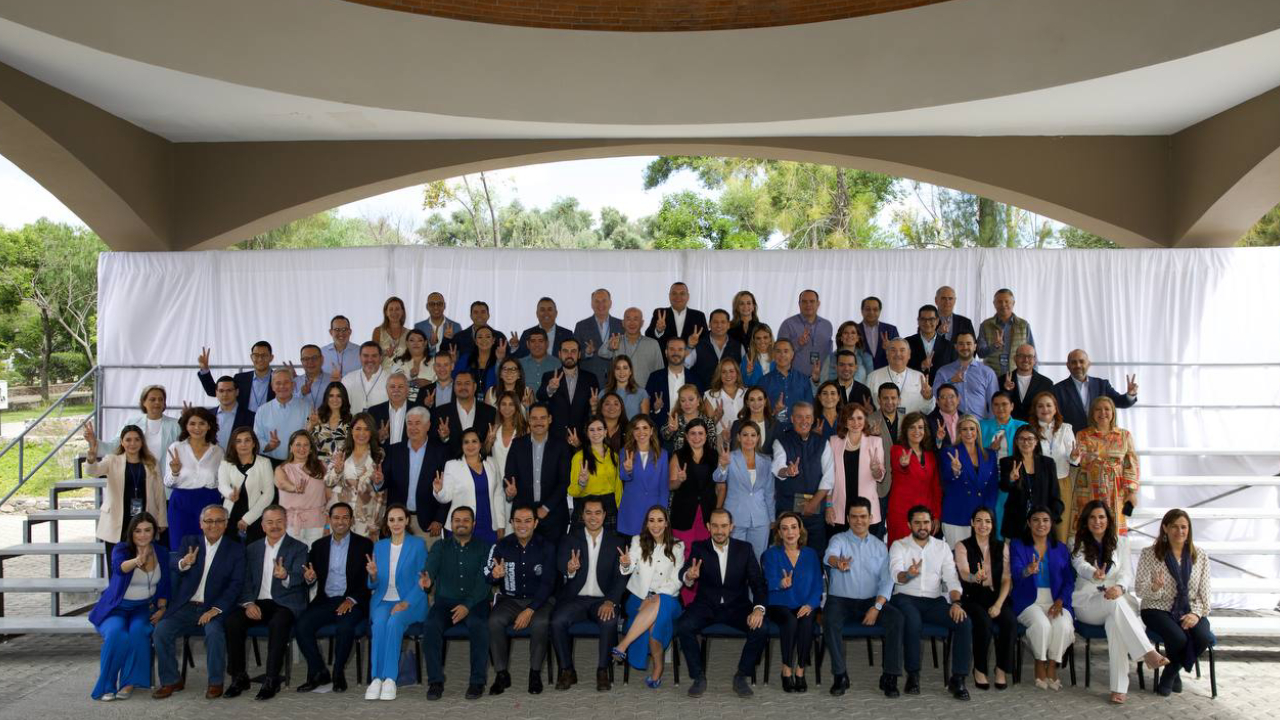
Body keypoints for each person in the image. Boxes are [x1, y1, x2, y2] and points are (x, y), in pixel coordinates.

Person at [1072, 500, 1168, 703]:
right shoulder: (1075, 542)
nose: (1097, 521)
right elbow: (1079, 565)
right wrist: (1094, 572)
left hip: (1116, 601)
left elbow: (1126, 573)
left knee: (1116, 623)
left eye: (1101, 517)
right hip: (1088, 604)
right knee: (1114, 604)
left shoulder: (1122, 542)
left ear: (1108, 520)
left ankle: (1118, 689)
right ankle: (1148, 651)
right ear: (1086, 521)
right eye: (1092, 517)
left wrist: (1120, 588)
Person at [152, 504, 245, 700]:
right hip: (185, 606)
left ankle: (215, 682)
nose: (213, 525)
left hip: (213, 608)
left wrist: (216, 609)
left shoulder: (235, 549)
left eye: (219, 521)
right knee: (161, 631)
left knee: (214, 632)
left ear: (226, 524)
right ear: (201, 524)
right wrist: (184, 562)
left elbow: (236, 585)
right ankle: (171, 680)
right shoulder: (190, 542)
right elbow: (172, 562)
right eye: (208, 521)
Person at [673, 507, 767, 698]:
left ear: (731, 527)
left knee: (762, 628)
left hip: (737, 606)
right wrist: (689, 576)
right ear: (708, 526)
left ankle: (741, 676)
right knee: (683, 626)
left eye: (724, 526)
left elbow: (758, 583)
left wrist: (758, 609)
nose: (719, 530)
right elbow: (685, 571)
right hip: (706, 605)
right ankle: (698, 676)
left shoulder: (745, 549)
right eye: (715, 526)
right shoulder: (700, 547)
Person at [223, 505, 308, 700]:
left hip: (285, 603)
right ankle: (239, 677)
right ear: (262, 526)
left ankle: (271, 679)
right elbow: (244, 581)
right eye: (270, 522)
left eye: (279, 521)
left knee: (278, 624)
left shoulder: (299, 547)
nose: (275, 526)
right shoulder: (252, 548)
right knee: (232, 622)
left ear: (286, 523)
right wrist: (248, 603)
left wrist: (285, 574)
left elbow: (300, 578)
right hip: (258, 602)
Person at [889, 505, 973, 699]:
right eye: (917, 522)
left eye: (926, 522)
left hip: (934, 601)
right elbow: (896, 575)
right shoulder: (899, 545)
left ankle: (958, 679)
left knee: (964, 622)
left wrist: (957, 603)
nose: (922, 526)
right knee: (912, 621)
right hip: (905, 598)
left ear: (932, 523)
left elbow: (951, 578)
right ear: (909, 524)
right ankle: (913, 675)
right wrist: (907, 574)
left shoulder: (941, 547)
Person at [824, 498, 904, 698]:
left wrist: (877, 607)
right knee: (829, 619)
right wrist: (837, 562)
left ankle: (890, 677)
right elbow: (829, 556)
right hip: (840, 600)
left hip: (870, 601)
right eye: (854, 517)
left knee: (897, 619)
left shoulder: (879, 546)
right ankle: (840, 675)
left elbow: (887, 581)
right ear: (848, 518)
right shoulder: (838, 540)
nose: (858, 521)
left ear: (871, 518)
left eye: (863, 517)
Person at [295, 502, 374, 694]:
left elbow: (368, 581)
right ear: (329, 520)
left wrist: (352, 600)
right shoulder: (318, 546)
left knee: (345, 627)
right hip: (325, 599)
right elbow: (310, 575)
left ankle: (338, 673)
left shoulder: (364, 545)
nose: (341, 522)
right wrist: (309, 578)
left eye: (345, 518)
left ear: (351, 521)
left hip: (351, 600)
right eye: (336, 518)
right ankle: (319, 671)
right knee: (301, 625)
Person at [89, 513, 169, 701]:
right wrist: (136, 561)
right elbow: (119, 567)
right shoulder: (121, 550)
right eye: (138, 531)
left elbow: (165, 584)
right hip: (116, 607)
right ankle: (107, 685)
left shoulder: (161, 552)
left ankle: (129, 682)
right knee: (117, 634)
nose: (143, 535)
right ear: (131, 533)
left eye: (147, 530)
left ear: (154, 531)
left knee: (138, 631)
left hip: (142, 608)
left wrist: (162, 607)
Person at [551, 498, 628, 692]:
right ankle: (567, 670)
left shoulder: (617, 541)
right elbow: (560, 564)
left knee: (609, 621)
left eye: (597, 513)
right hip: (575, 599)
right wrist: (569, 568)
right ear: (582, 515)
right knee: (557, 621)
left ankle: (603, 670)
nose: (593, 517)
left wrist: (611, 601)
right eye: (588, 513)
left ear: (604, 515)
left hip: (603, 600)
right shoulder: (570, 539)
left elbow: (621, 578)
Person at [1135, 508, 1214, 698]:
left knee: (1203, 636)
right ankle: (1172, 675)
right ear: (1165, 528)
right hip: (1156, 608)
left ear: (1189, 529)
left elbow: (1205, 595)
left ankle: (1171, 671)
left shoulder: (1200, 556)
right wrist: (1155, 587)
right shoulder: (1150, 554)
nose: (1180, 531)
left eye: (1184, 527)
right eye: (1174, 527)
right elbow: (1139, 590)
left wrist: (1195, 614)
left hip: (1190, 608)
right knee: (1179, 638)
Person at [422, 505, 494, 701]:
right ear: (451, 524)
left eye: (465, 520)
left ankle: (477, 682)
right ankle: (435, 682)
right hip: (445, 602)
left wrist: (467, 606)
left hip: (476, 602)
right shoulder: (440, 546)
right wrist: (427, 581)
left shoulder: (484, 547)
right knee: (430, 627)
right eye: (457, 520)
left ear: (473, 524)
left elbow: (484, 581)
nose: (461, 524)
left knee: (479, 626)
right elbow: (430, 568)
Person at [484, 504, 556, 695]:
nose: (522, 525)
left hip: (539, 601)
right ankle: (501, 674)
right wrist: (494, 575)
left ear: (536, 523)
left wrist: (531, 609)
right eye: (517, 521)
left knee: (540, 623)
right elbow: (487, 575)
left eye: (527, 521)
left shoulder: (547, 546)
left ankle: (534, 673)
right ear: (511, 522)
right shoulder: (501, 545)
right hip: (510, 600)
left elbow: (548, 583)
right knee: (494, 621)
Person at [614, 506, 685, 687]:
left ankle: (623, 645)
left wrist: (655, 597)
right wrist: (626, 564)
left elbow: (677, 580)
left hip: (669, 598)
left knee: (660, 604)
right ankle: (658, 667)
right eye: (651, 520)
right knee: (655, 623)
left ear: (666, 523)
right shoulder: (637, 541)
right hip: (638, 598)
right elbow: (629, 567)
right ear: (646, 523)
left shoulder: (678, 546)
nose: (655, 525)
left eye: (660, 520)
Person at [364, 504, 430, 701]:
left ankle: (390, 679)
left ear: (407, 521)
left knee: (394, 622)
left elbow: (423, 581)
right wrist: (373, 575)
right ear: (387, 523)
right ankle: (376, 678)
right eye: (392, 520)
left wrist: (405, 603)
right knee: (380, 624)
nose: (396, 524)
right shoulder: (379, 546)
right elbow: (372, 585)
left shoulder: (417, 545)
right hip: (383, 600)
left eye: (400, 519)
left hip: (411, 602)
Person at [84, 422, 166, 568]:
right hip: (117, 521)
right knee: (116, 567)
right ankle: (115, 592)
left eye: (136, 439)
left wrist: (161, 520)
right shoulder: (112, 460)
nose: (132, 443)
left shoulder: (151, 462)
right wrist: (91, 456)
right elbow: (93, 471)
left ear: (142, 442)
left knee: (142, 566)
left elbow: (159, 493)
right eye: (128, 440)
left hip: (143, 521)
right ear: (122, 442)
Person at [1009, 506, 1074, 691]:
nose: (1041, 524)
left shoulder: (1060, 548)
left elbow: (1069, 580)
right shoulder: (1017, 544)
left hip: (1056, 599)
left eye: (1045, 520)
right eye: (1036, 520)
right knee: (1042, 625)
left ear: (1051, 523)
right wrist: (1027, 570)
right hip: (1029, 599)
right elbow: (1015, 572)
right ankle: (1040, 662)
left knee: (1062, 625)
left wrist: (1061, 600)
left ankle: (1052, 665)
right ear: (1028, 523)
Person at [762, 512, 822, 692]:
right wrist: (780, 583)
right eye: (785, 528)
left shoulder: (811, 554)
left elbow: (818, 584)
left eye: (794, 527)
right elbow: (766, 582)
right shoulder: (771, 554)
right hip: (779, 604)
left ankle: (800, 670)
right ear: (779, 533)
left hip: (805, 604)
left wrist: (811, 604)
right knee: (790, 621)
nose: (790, 532)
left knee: (806, 622)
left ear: (800, 530)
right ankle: (786, 669)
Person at [954, 506, 1013, 690]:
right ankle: (979, 669)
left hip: (996, 596)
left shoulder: (1002, 546)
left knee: (1009, 621)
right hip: (972, 596)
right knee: (984, 622)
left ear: (992, 524)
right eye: (978, 520)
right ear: (972, 523)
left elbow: (1006, 579)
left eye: (987, 521)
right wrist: (974, 577)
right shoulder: (962, 545)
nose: (983, 525)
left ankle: (1001, 669)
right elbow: (963, 573)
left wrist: (998, 604)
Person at [770, 402, 834, 558]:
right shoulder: (781, 441)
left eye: (807, 417)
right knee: (787, 555)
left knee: (815, 555)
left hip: (815, 512)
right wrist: (788, 471)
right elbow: (777, 467)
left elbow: (829, 476)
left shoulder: (822, 442)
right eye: (799, 417)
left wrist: (814, 503)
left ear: (813, 419)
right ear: (792, 418)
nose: (803, 421)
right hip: (788, 511)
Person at [1071, 396, 1140, 535]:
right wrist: (1087, 457)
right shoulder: (1083, 434)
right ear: (1092, 413)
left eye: (1107, 409)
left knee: (1113, 529)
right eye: (1098, 409)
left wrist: (1131, 491)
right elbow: (1079, 460)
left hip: (1116, 487)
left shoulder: (1124, 435)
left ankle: (1112, 556)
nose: (1103, 413)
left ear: (1113, 412)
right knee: (1089, 524)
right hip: (1090, 487)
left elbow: (1131, 463)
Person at [503, 403, 572, 539]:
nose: (538, 422)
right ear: (529, 420)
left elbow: (564, 482)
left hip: (554, 516)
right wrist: (509, 492)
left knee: (552, 559)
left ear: (550, 419)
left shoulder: (561, 446)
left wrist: (546, 508)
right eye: (534, 418)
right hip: (524, 517)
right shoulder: (517, 444)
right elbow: (509, 477)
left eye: (542, 418)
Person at [380, 406, 448, 539]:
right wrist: (378, 481)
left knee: (425, 560)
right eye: (409, 423)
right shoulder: (394, 450)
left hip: (428, 524)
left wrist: (439, 519)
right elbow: (384, 482)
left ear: (428, 425)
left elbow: (447, 487)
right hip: (398, 522)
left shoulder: (441, 452)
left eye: (418, 423)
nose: (413, 428)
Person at [165, 407, 225, 551]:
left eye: (202, 423)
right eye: (192, 423)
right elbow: (167, 482)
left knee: (208, 548)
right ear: (186, 425)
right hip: (181, 503)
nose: (197, 428)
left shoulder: (218, 451)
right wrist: (174, 472)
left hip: (209, 502)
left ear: (209, 425)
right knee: (179, 547)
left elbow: (222, 482)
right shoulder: (176, 448)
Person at [435, 428, 506, 544]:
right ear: (461, 445)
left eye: (474, 441)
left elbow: (498, 495)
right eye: (466, 442)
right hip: (461, 527)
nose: (470, 445)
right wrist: (438, 491)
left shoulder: (492, 463)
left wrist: (501, 524)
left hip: (489, 526)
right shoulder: (452, 465)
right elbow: (445, 497)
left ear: (480, 444)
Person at [825, 403, 885, 537]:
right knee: (841, 552)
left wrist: (875, 470)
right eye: (851, 419)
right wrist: (828, 505)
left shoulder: (875, 441)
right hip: (839, 508)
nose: (856, 423)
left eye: (859, 418)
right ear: (844, 422)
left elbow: (880, 476)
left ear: (865, 420)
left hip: (867, 509)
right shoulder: (834, 442)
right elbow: (828, 478)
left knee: (867, 553)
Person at [715, 421, 773, 560]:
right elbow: (718, 477)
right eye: (745, 435)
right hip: (735, 517)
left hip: (760, 519)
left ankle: (754, 583)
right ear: (739, 437)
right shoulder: (730, 457)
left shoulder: (766, 460)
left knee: (757, 558)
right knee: (734, 559)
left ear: (758, 438)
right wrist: (722, 466)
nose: (749, 439)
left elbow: (769, 492)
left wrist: (772, 518)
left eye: (753, 435)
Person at [938, 416, 999, 547]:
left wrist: (987, 513)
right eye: (964, 429)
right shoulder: (949, 452)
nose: (969, 432)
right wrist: (955, 471)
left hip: (981, 520)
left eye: (972, 429)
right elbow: (946, 479)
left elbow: (993, 487)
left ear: (978, 431)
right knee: (957, 561)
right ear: (959, 432)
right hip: (957, 515)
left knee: (980, 560)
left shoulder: (990, 455)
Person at [325, 413, 386, 540]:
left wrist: (378, 482)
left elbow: (382, 489)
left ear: (371, 432)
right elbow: (328, 481)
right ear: (351, 430)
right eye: (358, 429)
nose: (362, 433)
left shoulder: (380, 454)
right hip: (341, 516)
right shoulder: (341, 451)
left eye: (366, 429)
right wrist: (337, 470)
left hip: (367, 517)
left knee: (363, 557)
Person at [999, 425, 1065, 542]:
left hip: (1042, 526)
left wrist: (1048, 519)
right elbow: (1004, 487)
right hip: (1016, 523)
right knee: (1016, 559)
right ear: (1016, 441)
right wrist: (1011, 479)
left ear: (1036, 441)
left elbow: (1055, 495)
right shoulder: (1008, 462)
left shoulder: (1048, 463)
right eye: (1021, 439)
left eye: (1030, 439)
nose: (1026, 442)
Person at [1052, 349, 1139, 432]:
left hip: (1101, 440)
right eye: (1074, 362)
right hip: (1073, 441)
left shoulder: (1102, 385)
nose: (1078, 365)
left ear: (1088, 364)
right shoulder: (1058, 390)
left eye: (1081, 361)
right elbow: (1055, 419)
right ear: (1068, 365)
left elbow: (1121, 402)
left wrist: (1130, 395)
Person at [886, 413, 940, 544]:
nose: (917, 431)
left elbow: (936, 488)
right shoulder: (897, 450)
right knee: (901, 553)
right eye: (912, 427)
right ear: (905, 430)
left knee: (923, 555)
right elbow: (899, 466)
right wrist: (903, 464)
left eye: (920, 427)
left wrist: (936, 515)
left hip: (925, 515)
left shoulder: (930, 455)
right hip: (901, 512)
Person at [1031, 392, 1076, 542]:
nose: (1045, 409)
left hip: (1062, 482)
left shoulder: (1066, 429)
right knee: (1039, 526)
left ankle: (1059, 563)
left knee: (1061, 528)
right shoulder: (1029, 430)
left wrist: (1075, 456)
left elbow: (1073, 459)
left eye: (1049, 405)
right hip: (1038, 483)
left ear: (1055, 408)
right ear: (1035, 409)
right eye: (1041, 406)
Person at [218, 426, 275, 545]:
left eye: (247, 440)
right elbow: (222, 485)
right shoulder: (226, 463)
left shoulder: (264, 463)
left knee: (254, 554)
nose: (243, 444)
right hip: (230, 516)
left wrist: (247, 519)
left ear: (254, 443)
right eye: (238, 441)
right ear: (233, 444)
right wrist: (230, 494)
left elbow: (269, 494)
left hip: (256, 516)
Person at [99, 384, 180, 465]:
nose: (157, 402)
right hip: (138, 475)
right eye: (153, 399)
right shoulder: (132, 423)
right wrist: (94, 443)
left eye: (161, 399)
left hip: (167, 476)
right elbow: (114, 445)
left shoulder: (176, 425)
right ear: (143, 402)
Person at [617, 416, 670, 539]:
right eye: (637, 428)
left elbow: (663, 488)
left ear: (651, 431)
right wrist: (628, 469)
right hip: (631, 511)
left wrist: (661, 515)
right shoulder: (625, 451)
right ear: (632, 432)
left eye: (645, 428)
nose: (641, 432)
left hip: (653, 514)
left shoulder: (662, 454)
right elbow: (623, 476)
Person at [274, 430, 329, 545]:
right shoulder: (282, 469)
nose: (302, 448)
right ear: (290, 447)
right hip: (290, 524)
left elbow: (329, 495)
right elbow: (282, 483)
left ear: (311, 449)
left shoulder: (322, 466)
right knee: (292, 560)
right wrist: (294, 488)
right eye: (298, 444)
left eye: (306, 445)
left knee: (315, 560)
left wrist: (328, 523)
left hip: (317, 522)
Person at [538, 338, 600, 441]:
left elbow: (594, 410)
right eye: (565, 351)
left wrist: (594, 406)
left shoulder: (590, 378)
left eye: (573, 351)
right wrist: (550, 389)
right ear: (559, 354)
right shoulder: (549, 376)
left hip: (582, 438)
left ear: (579, 354)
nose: (569, 355)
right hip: (555, 438)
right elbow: (540, 396)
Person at [568, 417, 622, 530]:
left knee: (609, 545)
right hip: (587, 509)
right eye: (591, 430)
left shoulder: (614, 456)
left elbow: (618, 487)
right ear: (587, 433)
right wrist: (582, 483)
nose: (596, 433)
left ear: (605, 432)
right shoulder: (579, 458)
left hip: (609, 509)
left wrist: (619, 509)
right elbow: (572, 491)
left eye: (599, 429)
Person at [932, 332, 997, 418]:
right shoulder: (943, 372)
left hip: (980, 426)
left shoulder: (987, 373)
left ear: (975, 346)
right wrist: (950, 382)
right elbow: (934, 398)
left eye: (968, 343)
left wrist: (990, 428)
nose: (965, 347)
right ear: (956, 347)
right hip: (951, 427)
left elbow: (995, 403)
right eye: (961, 344)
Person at [434, 370, 498, 456]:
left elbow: (489, 446)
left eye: (467, 383)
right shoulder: (441, 412)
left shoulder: (489, 412)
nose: (463, 387)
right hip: (450, 465)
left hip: (480, 465)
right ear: (454, 387)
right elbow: (434, 444)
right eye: (459, 384)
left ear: (475, 387)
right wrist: (444, 438)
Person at [197, 341, 274, 412]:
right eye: (256, 355)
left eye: (264, 355)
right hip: (244, 424)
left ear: (271, 357)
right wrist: (205, 369)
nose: (260, 359)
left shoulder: (278, 379)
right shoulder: (241, 378)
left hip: (270, 424)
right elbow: (213, 391)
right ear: (251, 357)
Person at [253, 369, 311, 464]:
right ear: (272, 386)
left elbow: (312, 435)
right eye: (278, 383)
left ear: (293, 385)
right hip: (270, 463)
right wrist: (269, 446)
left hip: (300, 462)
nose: (282, 386)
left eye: (286, 382)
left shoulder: (306, 407)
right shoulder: (262, 411)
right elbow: (257, 438)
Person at [867, 383, 903, 532]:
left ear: (899, 400)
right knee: (877, 528)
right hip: (878, 485)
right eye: (885, 398)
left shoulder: (906, 421)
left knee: (899, 527)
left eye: (893, 398)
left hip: (902, 483)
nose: (890, 402)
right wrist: (871, 438)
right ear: (878, 400)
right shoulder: (868, 421)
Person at [867, 339, 935, 416]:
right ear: (887, 354)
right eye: (893, 350)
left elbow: (928, 410)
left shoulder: (919, 377)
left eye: (902, 350)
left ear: (909, 354)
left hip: (911, 426)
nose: (898, 354)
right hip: (881, 426)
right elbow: (866, 407)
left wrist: (928, 397)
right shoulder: (873, 377)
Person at [597, 307, 662, 387]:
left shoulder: (653, 344)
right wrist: (610, 347)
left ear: (642, 323)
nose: (632, 323)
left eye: (635, 319)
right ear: (623, 323)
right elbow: (601, 353)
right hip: (620, 393)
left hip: (645, 394)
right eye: (628, 319)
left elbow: (659, 371)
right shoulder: (616, 340)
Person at [573, 288, 624, 388]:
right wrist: (587, 352)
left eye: (604, 301)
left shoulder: (621, 325)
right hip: (589, 380)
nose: (600, 304)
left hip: (617, 380)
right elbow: (574, 353)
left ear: (610, 303)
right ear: (592, 304)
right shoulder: (581, 326)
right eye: (597, 301)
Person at [977, 289, 1035, 376]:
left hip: (1017, 375)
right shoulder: (985, 325)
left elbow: (1033, 353)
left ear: (1013, 303)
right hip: (992, 376)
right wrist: (994, 346)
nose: (1003, 305)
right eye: (999, 302)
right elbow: (980, 353)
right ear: (994, 304)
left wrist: (1034, 376)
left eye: (1007, 301)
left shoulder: (1023, 325)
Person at [645, 336, 702, 422]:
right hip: (661, 431)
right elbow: (646, 406)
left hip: (689, 431)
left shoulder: (695, 378)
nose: (676, 353)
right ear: (666, 352)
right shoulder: (654, 377)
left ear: (685, 353)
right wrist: (655, 408)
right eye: (672, 349)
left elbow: (700, 406)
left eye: (680, 349)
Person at [778, 289, 834, 371]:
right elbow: (779, 352)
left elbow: (829, 352)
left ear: (818, 304)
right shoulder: (788, 324)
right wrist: (797, 343)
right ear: (799, 304)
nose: (808, 305)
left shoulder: (827, 325)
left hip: (822, 377)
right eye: (804, 301)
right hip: (795, 377)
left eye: (812, 301)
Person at [760, 339, 813, 424]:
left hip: (798, 431)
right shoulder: (764, 382)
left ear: (792, 354)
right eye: (778, 351)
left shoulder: (804, 380)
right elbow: (759, 411)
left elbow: (810, 409)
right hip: (773, 431)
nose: (782, 355)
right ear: (773, 354)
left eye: (786, 351)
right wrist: (774, 412)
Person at [688, 308, 742, 389]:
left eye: (723, 322)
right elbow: (684, 367)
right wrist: (689, 346)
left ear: (728, 325)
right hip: (702, 394)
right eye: (715, 322)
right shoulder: (698, 344)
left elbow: (743, 372)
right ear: (709, 324)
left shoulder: (738, 346)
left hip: (730, 395)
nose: (719, 325)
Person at [646, 281, 707, 352]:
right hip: (665, 361)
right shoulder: (660, 313)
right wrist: (658, 331)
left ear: (688, 296)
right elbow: (648, 335)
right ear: (669, 296)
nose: (678, 297)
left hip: (691, 360)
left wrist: (692, 345)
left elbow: (706, 340)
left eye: (682, 293)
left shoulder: (699, 316)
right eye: (674, 293)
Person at [906, 304, 958, 385]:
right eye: (923, 319)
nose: (927, 323)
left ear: (937, 321)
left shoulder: (949, 346)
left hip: (940, 392)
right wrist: (921, 366)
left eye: (931, 319)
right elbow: (901, 368)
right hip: (913, 390)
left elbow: (953, 371)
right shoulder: (907, 343)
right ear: (918, 321)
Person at [659, 384, 718, 454]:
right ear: (680, 403)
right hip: (680, 460)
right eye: (683, 400)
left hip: (702, 461)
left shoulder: (707, 421)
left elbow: (713, 445)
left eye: (691, 399)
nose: (687, 404)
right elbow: (664, 436)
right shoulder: (676, 419)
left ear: (698, 401)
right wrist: (670, 429)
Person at [816, 321, 873, 386]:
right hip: (835, 395)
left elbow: (871, 382)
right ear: (841, 337)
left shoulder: (867, 358)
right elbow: (823, 383)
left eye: (853, 333)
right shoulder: (831, 358)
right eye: (846, 333)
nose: (849, 335)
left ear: (858, 338)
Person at [487, 391, 527, 483]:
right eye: (503, 404)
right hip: (495, 482)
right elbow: (484, 453)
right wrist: (489, 441)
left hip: (517, 482)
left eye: (511, 404)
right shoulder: (494, 428)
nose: (507, 408)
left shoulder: (525, 429)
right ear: (499, 407)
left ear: (517, 406)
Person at [367, 373, 415, 450]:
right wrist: (379, 438)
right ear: (387, 389)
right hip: (382, 458)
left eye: (400, 387)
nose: (396, 390)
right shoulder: (373, 412)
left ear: (408, 389)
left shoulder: (419, 410)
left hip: (410, 458)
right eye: (392, 387)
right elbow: (366, 440)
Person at [1006, 344, 1053, 421]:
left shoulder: (1046, 383)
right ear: (1015, 358)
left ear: (1035, 360)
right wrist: (1007, 390)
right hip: (1009, 429)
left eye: (1030, 356)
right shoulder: (1002, 380)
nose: (1026, 359)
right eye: (1021, 356)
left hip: (1036, 429)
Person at [453, 325, 504, 394]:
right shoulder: (465, 359)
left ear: (493, 340)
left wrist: (500, 361)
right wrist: (453, 363)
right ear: (475, 341)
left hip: (491, 402)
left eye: (488, 337)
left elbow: (503, 383)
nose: (484, 340)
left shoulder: (500, 360)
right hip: (467, 400)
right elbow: (454, 378)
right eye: (480, 337)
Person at [308, 381, 352, 464]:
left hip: (343, 470)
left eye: (339, 396)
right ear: (326, 398)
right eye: (331, 396)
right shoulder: (315, 416)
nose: (335, 399)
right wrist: (311, 425)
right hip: (320, 470)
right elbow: (305, 442)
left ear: (344, 398)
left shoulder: (351, 420)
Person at [980, 389, 1026, 464]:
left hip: (1016, 470)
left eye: (1004, 404)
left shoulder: (1023, 426)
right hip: (988, 472)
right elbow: (973, 452)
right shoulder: (981, 426)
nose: (1000, 408)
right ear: (991, 407)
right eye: (996, 404)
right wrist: (990, 449)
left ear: (1012, 406)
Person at [342, 342, 389, 415]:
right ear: (360, 357)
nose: (370, 360)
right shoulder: (348, 379)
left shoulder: (391, 379)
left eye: (374, 356)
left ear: (381, 357)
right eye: (366, 356)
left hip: (381, 425)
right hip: (353, 425)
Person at [704, 356, 746, 437]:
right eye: (724, 372)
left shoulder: (747, 393)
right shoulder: (711, 396)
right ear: (719, 374)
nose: (728, 375)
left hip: (747, 441)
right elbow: (706, 427)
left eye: (731, 371)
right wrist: (717, 418)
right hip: (721, 443)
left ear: (737, 373)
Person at [393, 328, 437, 406]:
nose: (416, 343)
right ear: (406, 343)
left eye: (420, 340)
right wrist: (410, 377)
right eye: (412, 340)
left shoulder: (434, 361)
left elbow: (441, 382)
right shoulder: (398, 362)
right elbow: (394, 383)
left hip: (430, 403)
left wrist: (429, 383)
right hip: (404, 405)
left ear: (425, 343)